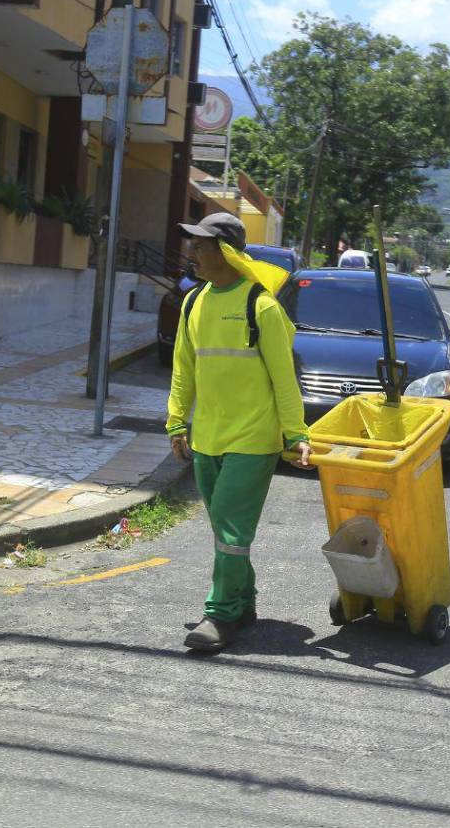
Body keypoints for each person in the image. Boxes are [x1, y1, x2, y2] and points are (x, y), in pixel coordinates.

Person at [166, 212, 313, 652]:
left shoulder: (260, 306)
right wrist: (177, 420)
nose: (192, 254)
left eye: (202, 246)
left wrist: (295, 434)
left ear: (227, 252)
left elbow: (285, 379)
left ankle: (220, 614)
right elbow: (183, 368)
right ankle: (243, 602)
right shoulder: (194, 302)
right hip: (208, 436)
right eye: (192, 245)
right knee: (224, 530)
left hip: (253, 438)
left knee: (230, 528)